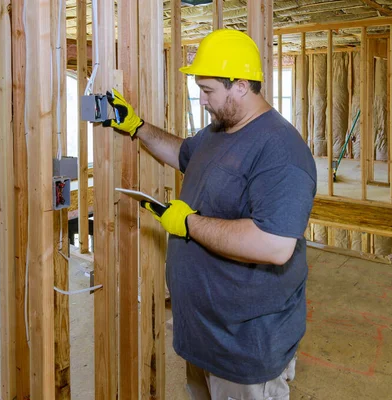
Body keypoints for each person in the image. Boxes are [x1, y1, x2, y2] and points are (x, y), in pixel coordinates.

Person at [103, 29, 317, 400]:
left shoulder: (280, 151)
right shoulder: (221, 130)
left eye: (208, 90)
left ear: (240, 85)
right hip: (204, 334)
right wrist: (137, 127)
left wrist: (188, 223)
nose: (201, 100)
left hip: (245, 346)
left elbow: (274, 245)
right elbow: (183, 153)